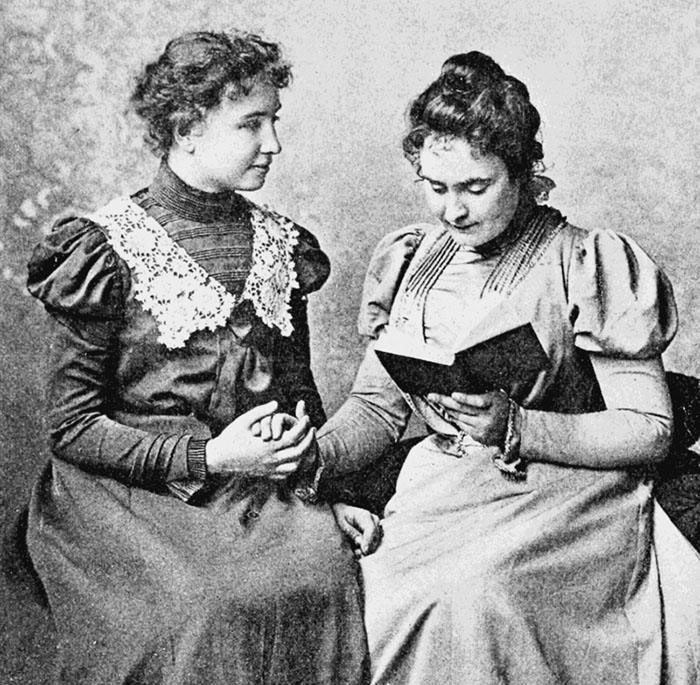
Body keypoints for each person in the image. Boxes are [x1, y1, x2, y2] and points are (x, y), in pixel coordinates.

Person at [317, 51, 700, 684]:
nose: (453, 211)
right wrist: (312, 458)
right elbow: (376, 408)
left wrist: (516, 426)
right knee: (366, 589)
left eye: (476, 188)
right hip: (442, 489)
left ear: (523, 173)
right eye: (436, 188)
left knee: (471, 595)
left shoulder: (585, 260)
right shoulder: (410, 259)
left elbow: (650, 428)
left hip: (567, 492)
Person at [25, 29, 375, 684]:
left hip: (254, 483)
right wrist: (208, 458)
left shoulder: (280, 244)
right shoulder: (104, 249)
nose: (273, 143)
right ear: (187, 129)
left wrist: (328, 490)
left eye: (274, 121)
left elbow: (297, 389)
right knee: (205, 607)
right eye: (251, 124)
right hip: (128, 491)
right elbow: (70, 428)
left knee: (327, 574)